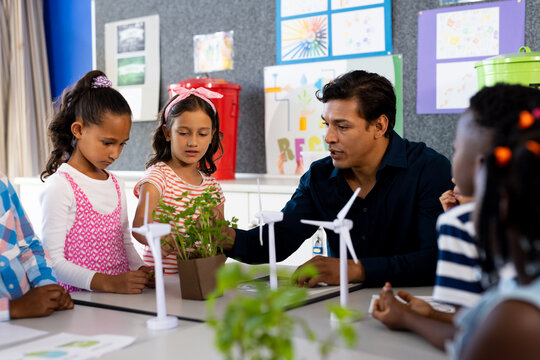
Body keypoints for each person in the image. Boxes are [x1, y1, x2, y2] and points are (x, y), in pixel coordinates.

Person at [223, 70, 453, 287]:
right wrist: (227, 238)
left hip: (414, 303)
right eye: (327, 124)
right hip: (341, 310)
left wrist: (355, 270)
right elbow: (280, 239)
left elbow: (436, 259)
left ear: (379, 126)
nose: (329, 138)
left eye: (342, 127)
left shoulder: (429, 169)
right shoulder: (318, 177)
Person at [372, 90, 540, 359]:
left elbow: (475, 340)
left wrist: (407, 318)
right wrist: (424, 315)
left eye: (457, 148)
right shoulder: (520, 278)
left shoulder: (518, 318)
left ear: (484, 167)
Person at [39, 70, 153, 293]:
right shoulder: (61, 186)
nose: (115, 154)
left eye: (122, 144)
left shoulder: (117, 184)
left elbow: (125, 243)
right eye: (108, 142)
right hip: (81, 305)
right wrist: (108, 282)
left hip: (118, 301)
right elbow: (53, 262)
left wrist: (142, 269)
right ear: (78, 130)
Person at [132, 85, 226, 274]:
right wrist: (158, 238)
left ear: (212, 136)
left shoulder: (213, 187)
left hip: (199, 277)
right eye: (183, 133)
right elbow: (139, 224)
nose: (193, 142)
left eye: (202, 134)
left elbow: (221, 235)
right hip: (161, 281)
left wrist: (217, 222)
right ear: (167, 133)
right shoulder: (157, 177)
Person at [0, 172, 73, 321]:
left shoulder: (2, 182)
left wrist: (47, 288)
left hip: (35, 316)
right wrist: (14, 308)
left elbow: (30, 244)